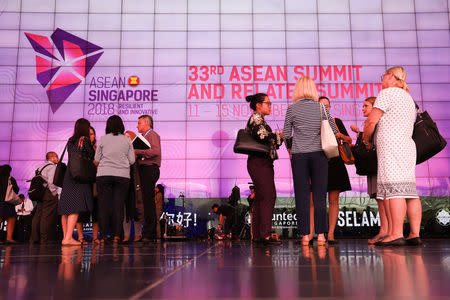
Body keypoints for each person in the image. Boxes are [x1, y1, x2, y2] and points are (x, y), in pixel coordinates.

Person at [363, 66, 421, 246]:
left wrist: (366, 139)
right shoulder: (408, 98)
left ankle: (396, 234)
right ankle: (414, 234)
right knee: (410, 191)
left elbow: (371, 120)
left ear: (390, 77)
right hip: (407, 146)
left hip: (391, 146)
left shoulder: (387, 93)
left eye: (384, 76)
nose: (382, 80)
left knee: (394, 190)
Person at [283, 76, 338, 246]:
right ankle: (321, 235)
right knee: (320, 196)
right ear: (312, 89)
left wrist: (291, 150)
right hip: (319, 155)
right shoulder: (322, 107)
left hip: (299, 156)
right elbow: (334, 130)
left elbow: (286, 135)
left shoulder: (291, 109)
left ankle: (306, 236)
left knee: (302, 196)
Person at [351, 97, 391, 244]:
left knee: (382, 198)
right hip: (375, 165)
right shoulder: (374, 124)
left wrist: (362, 134)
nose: (363, 109)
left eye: (366, 106)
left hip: (377, 165)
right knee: (379, 198)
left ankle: (386, 231)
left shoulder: (376, 123)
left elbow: (370, 144)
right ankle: (386, 230)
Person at [245, 93, 283, 246]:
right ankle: (265, 234)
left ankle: (259, 235)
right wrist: (278, 137)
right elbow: (263, 137)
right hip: (259, 162)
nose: (270, 106)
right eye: (267, 103)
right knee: (268, 196)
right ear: (258, 105)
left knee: (262, 197)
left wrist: (275, 138)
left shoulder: (260, 120)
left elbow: (268, 139)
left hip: (260, 162)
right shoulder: (256, 118)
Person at [317, 96, 352, 244]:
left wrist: (341, 135)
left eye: (327, 106)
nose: (325, 108)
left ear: (330, 108)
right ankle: (318, 233)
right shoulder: (314, 123)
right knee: (317, 200)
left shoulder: (336, 122)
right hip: (318, 162)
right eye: (321, 106)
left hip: (335, 163)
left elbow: (349, 140)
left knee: (333, 200)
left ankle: (330, 233)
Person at [95, 115, 135, 243]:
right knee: (118, 206)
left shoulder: (102, 139)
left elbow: (96, 160)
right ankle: (117, 236)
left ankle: (102, 237)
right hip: (122, 176)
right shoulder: (127, 140)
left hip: (104, 175)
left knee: (103, 206)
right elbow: (132, 160)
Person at [58, 118, 95, 246]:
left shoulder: (70, 140)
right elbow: (92, 155)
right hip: (79, 176)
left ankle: (65, 237)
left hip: (69, 175)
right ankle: (68, 238)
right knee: (75, 207)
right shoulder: (84, 140)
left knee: (65, 208)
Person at [135, 115, 161, 242]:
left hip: (150, 168)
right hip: (145, 169)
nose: (137, 126)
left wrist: (138, 151)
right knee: (146, 201)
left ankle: (149, 233)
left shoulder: (152, 135)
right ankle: (148, 232)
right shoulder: (144, 137)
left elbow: (155, 151)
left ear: (146, 123)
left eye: (139, 123)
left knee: (149, 202)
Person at [76, 126, 100, 244]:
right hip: (83, 182)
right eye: (89, 134)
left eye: (93, 134)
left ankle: (95, 237)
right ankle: (80, 237)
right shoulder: (79, 148)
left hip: (95, 182)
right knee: (81, 211)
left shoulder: (97, 148)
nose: (92, 136)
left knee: (96, 210)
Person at [30, 151, 60, 244]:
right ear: (52, 158)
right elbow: (51, 182)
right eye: (56, 157)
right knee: (47, 216)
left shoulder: (40, 167)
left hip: (40, 193)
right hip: (48, 193)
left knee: (38, 215)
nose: (58, 158)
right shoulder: (52, 167)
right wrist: (54, 193)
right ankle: (45, 238)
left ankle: (34, 238)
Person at [123, 130, 144, 243]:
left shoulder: (139, 152)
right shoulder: (121, 152)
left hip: (136, 183)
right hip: (125, 183)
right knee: (125, 210)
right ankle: (126, 235)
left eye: (128, 137)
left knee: (137, 209)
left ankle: (138, 234)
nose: (126, 140)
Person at [0, 164, 20, 244]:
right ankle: (9, 238)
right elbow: (16, 190)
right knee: (11, 218)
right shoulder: (10, 179)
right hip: (7, 202)